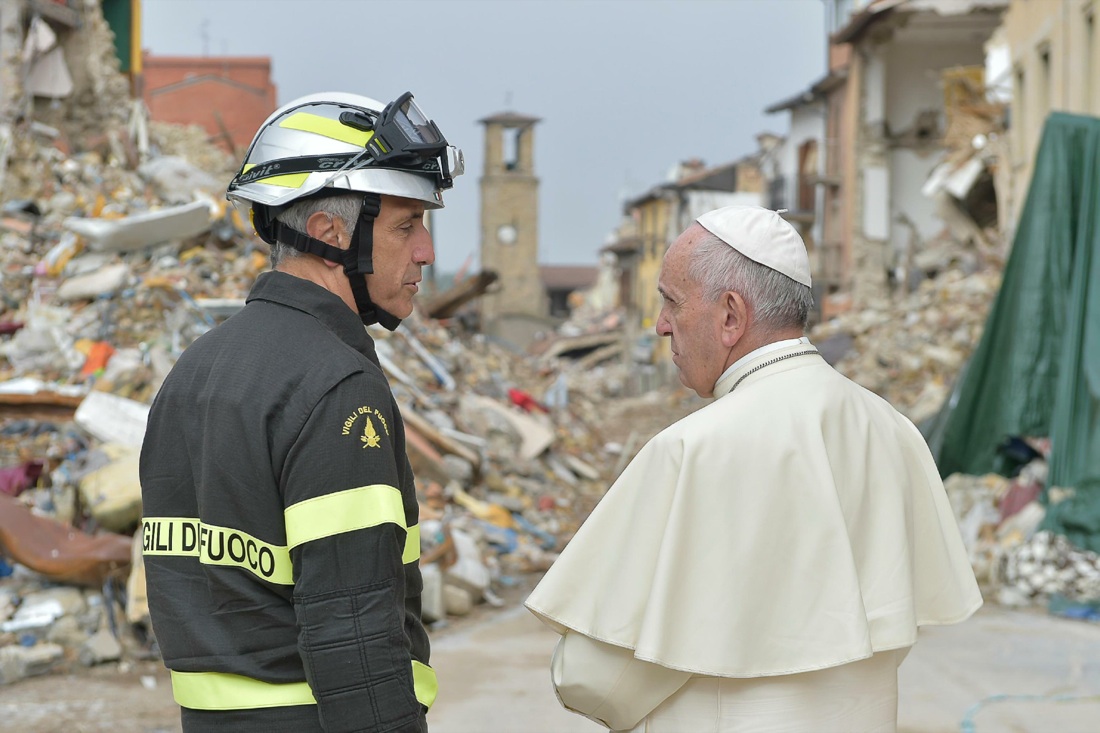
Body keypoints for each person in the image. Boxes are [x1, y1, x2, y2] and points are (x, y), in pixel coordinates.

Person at [525, 205, 982, 733]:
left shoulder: (693, 449)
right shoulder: (892, 429)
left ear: (731, 316)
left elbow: (596, 679)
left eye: (671, 302)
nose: (661, 325)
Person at [140, 91, 464, 733]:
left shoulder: (194, 369)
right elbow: (355, 635)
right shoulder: (338, 386)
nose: (426, 251)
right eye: (406, 226)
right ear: (329, 233)